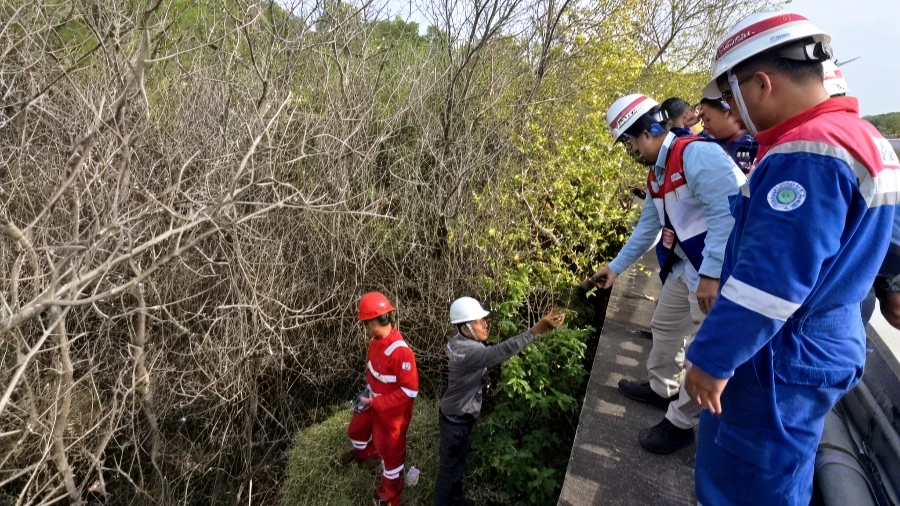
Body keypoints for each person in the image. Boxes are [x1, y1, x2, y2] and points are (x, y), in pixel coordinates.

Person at [683, 11, 900, 506]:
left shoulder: (806, 153)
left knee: (745, 485)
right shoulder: (865, 139)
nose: (735, 113)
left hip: (779, 355)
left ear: (761, 84)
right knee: (781, 474)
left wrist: (712, 358)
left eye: (733, 96)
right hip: (823, 340)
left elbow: (769, 282)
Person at [589, 93, 746, 454]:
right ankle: (662, 389)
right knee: (665, 326)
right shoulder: (658, 174)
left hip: (716, 269)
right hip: (686, 264)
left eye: (629, 143)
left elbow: (727, 216)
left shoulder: (696, 155)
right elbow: (648, 228)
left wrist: (711, 275)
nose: (630, 152)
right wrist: (615, 268)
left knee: (701, 351)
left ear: (646, 132)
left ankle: (680, 424)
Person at [433, 297, 564, 506]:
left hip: (453, 414)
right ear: (465, 328)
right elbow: (501, 351)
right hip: (456, 420)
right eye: (478, 321)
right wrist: (535, 331)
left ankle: (455, 500)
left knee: (456, 464)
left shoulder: (457, 342)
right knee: (448, 470)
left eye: (483, 319)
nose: (485, 324)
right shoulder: (473, 351)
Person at [345, 292, 419, 506]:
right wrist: (367, 393)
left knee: (391, 455)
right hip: (373, 404)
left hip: (392, 415)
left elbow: (409, 391)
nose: (366, 327)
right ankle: (370, 458)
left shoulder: (401, 352)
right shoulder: (375, 343)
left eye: (367, 322)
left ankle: (389, 496)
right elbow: (373, 373)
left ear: (377, 320)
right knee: (356, 431)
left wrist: (376, 402)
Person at [697, 97, 757, 173]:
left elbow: (744, 173)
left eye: (707, 120)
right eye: (703, 122)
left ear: (727, 113)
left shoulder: (745, 145)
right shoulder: (709, 141)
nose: (706, 126)